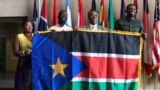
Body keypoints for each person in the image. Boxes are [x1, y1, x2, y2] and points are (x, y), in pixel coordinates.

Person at [12, 20, 33, 90]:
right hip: (23, 63)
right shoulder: (19, 36)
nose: (30, 27)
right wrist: (24, 52)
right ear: (23, 27)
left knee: (33, 83)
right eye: (27, 25)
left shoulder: (36, 36)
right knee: (22, 83)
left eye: (31, 25)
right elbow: (15, 52)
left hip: (34, 63)